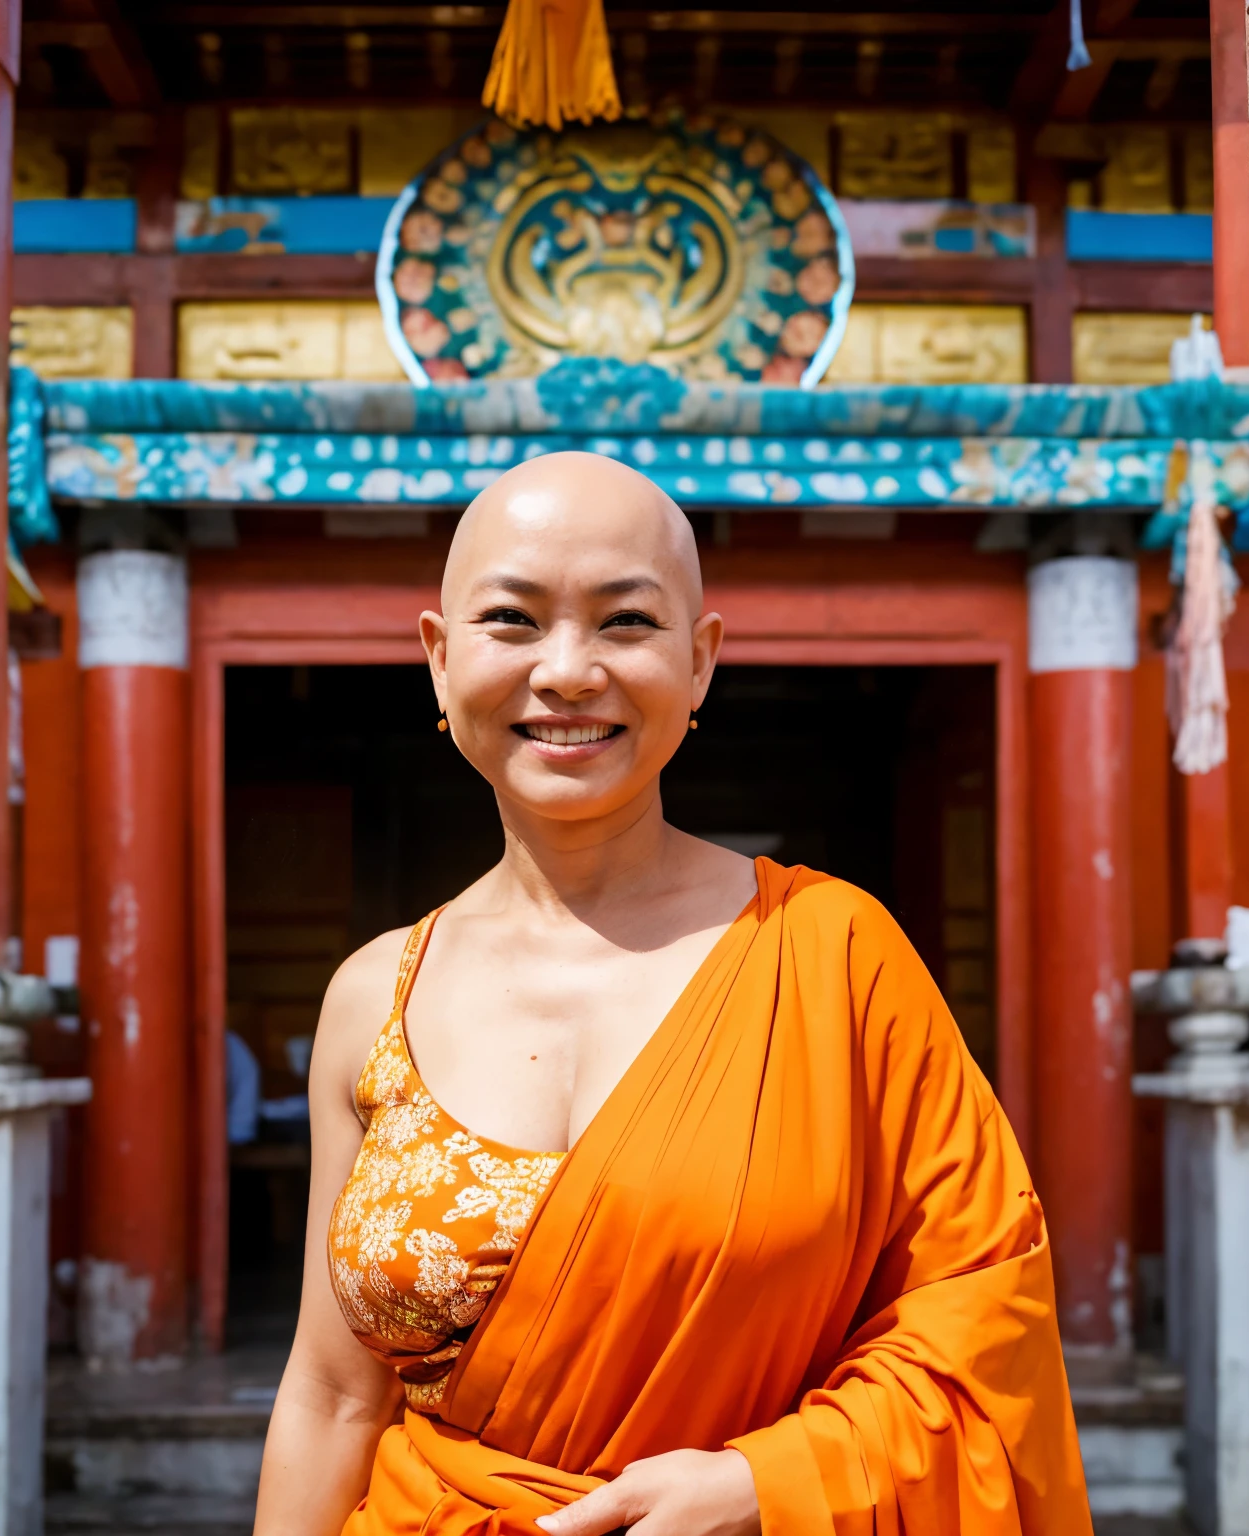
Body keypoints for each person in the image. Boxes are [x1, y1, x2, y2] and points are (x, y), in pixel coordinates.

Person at [253, 452, 1092, 1536]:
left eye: (625, 623)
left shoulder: (832, 955)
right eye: (512, 619)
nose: (566, 671)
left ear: (699, 664)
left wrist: (766, 1486)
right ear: (437, 658)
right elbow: (332, 1396)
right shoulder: (376, 995)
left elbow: (986, 1327)